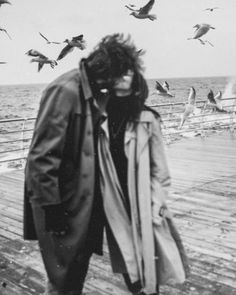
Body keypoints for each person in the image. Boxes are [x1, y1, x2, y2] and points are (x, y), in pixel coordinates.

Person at [23, 33, 147, 295]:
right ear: (108, 71)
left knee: (77, 271)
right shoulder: (65, 91)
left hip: (87, 203)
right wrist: (52, 208)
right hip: (62, 205)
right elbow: (41, 158)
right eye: (120, 74)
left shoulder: (95, 90)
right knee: (63, 281)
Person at [97, 40, 189, 294]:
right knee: (128, 265)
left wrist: (157, 204)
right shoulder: (100, 117)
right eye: (119, 70)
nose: (125, 75)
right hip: (114, 202)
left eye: (129, 69)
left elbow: (161, 172)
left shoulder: (148, 119)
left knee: (150, 268)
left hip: (144, 202)